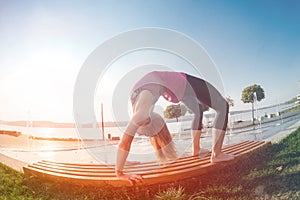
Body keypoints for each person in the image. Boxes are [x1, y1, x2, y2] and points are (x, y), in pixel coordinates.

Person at [115, 71, 234, 185]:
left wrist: (119, 171)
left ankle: (196, 150)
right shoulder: (139, 110)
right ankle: (216, 155)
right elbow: (125, 143)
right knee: (222, 106)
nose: (139, 134)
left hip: (177, 85)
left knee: (199, 111)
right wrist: (120, 170)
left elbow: (124, 143)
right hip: (179, 85)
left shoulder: (141, 114)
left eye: (144, 134)